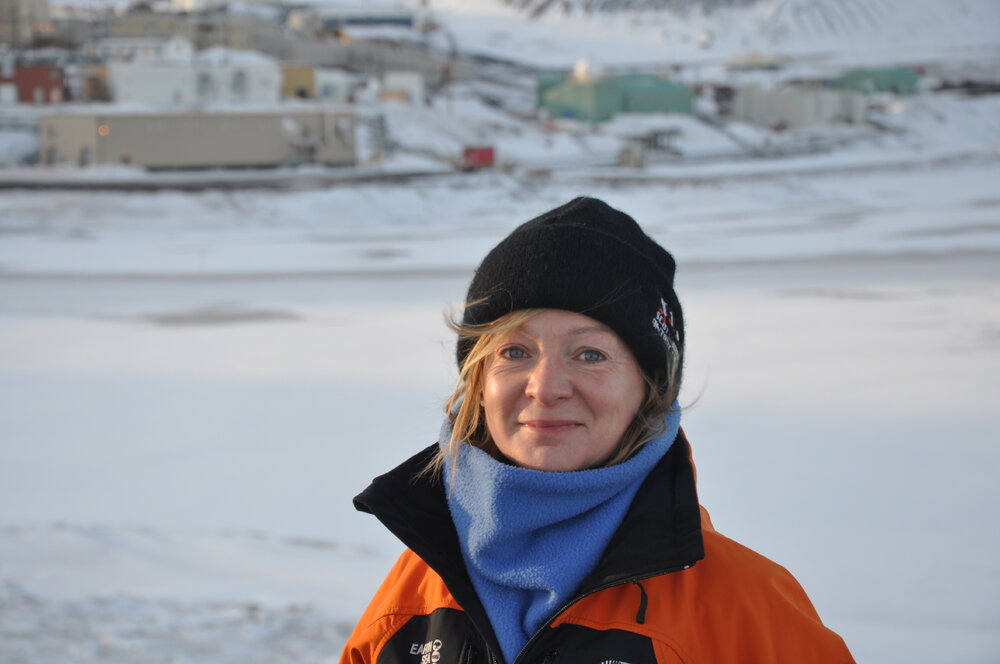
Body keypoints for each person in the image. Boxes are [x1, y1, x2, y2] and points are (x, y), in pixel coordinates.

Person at [339, 197, 854, 664]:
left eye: (590, 354)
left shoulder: (742, 608)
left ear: (648, 389)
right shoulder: (411, 599)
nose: (545, 387)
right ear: (477, 382)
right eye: (514, 351)